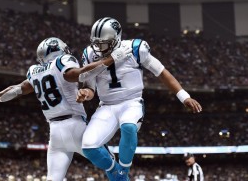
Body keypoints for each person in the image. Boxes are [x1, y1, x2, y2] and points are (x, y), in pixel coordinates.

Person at [0, 37, 131, 181]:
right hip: (76, 127)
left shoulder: (35, 71)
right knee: (113, 167)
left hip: (55, 134)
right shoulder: (62, 61)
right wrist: (111, 59)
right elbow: (76, 75)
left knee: (53, 178)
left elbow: (17, 89)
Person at [76, 17, 203, 180]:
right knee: (88, 146)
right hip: (106, 105)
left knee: (128, 127)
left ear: (116, 40)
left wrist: (184, 96)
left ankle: (123, 171)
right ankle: (116, 171)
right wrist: (86, 93)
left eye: (103, 42)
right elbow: (90, 88)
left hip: (131, 103)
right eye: (96, 42)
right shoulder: (89, 53)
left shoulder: (135, 48)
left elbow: (161, 72)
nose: (98, 47)